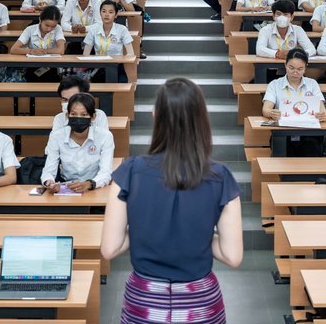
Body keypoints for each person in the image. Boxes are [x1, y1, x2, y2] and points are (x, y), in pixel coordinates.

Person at [101, 78, 242, 324]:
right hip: (200, 304)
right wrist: (196, 236)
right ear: (202, 118)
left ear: (155, 115)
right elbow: (232, 256)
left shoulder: (129, 172)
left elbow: (110, 248)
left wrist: (149, 232)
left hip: (144, 302)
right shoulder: (221, 176)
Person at [42, 92, 115, 193]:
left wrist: (89, 184)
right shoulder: (57, 136)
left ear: (93, 117)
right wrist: (49, 182)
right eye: (73, 114)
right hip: (65, 187)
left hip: (95, 187)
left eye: (84, 115)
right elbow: (48, 170)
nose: (78, 118)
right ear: (67, 115)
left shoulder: (105, 136)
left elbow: (105, 172)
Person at [261, 50, 326, 122]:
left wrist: (322, 115)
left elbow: (322, 109)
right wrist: (272, 113)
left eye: (300, 69)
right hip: (284, 126)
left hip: (308, 125)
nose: (295, 72)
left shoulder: (312, 84)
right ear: (285, 65)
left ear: (305, 68)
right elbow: (265, 109)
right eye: (291, 68)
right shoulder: (275, 84)